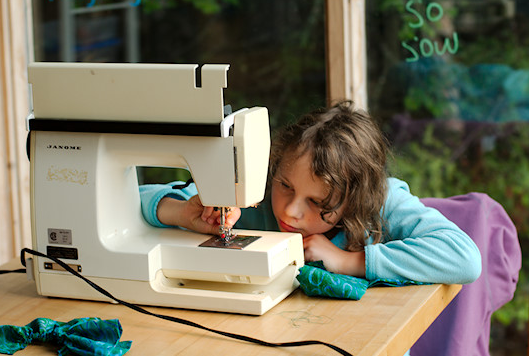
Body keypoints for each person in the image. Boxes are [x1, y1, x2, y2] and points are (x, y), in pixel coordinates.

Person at [139, 100, 481, 284]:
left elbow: (464, 258)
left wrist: (351, 261)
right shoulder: (252, 195)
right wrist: (182, 212)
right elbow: (131, 198)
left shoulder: (383, 203)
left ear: (356, 200)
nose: (289, 211)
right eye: (285, 186)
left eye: (318, 203)